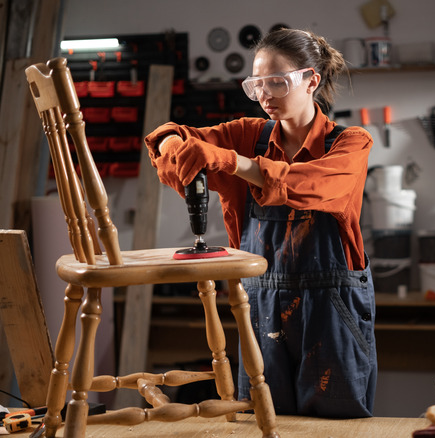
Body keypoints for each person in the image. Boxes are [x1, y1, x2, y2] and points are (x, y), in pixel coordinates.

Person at [144, 28, 377, 418]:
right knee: (264, 419)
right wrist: (175, 145)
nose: (265, 95)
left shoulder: (349, 143)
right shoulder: (247, 135)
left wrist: (232, 163)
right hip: (260, 305)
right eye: (257, 85)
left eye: (277, 83)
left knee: (336, 427)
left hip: (331, 311)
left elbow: (307, 183)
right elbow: (171, 136)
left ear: (311, 80)